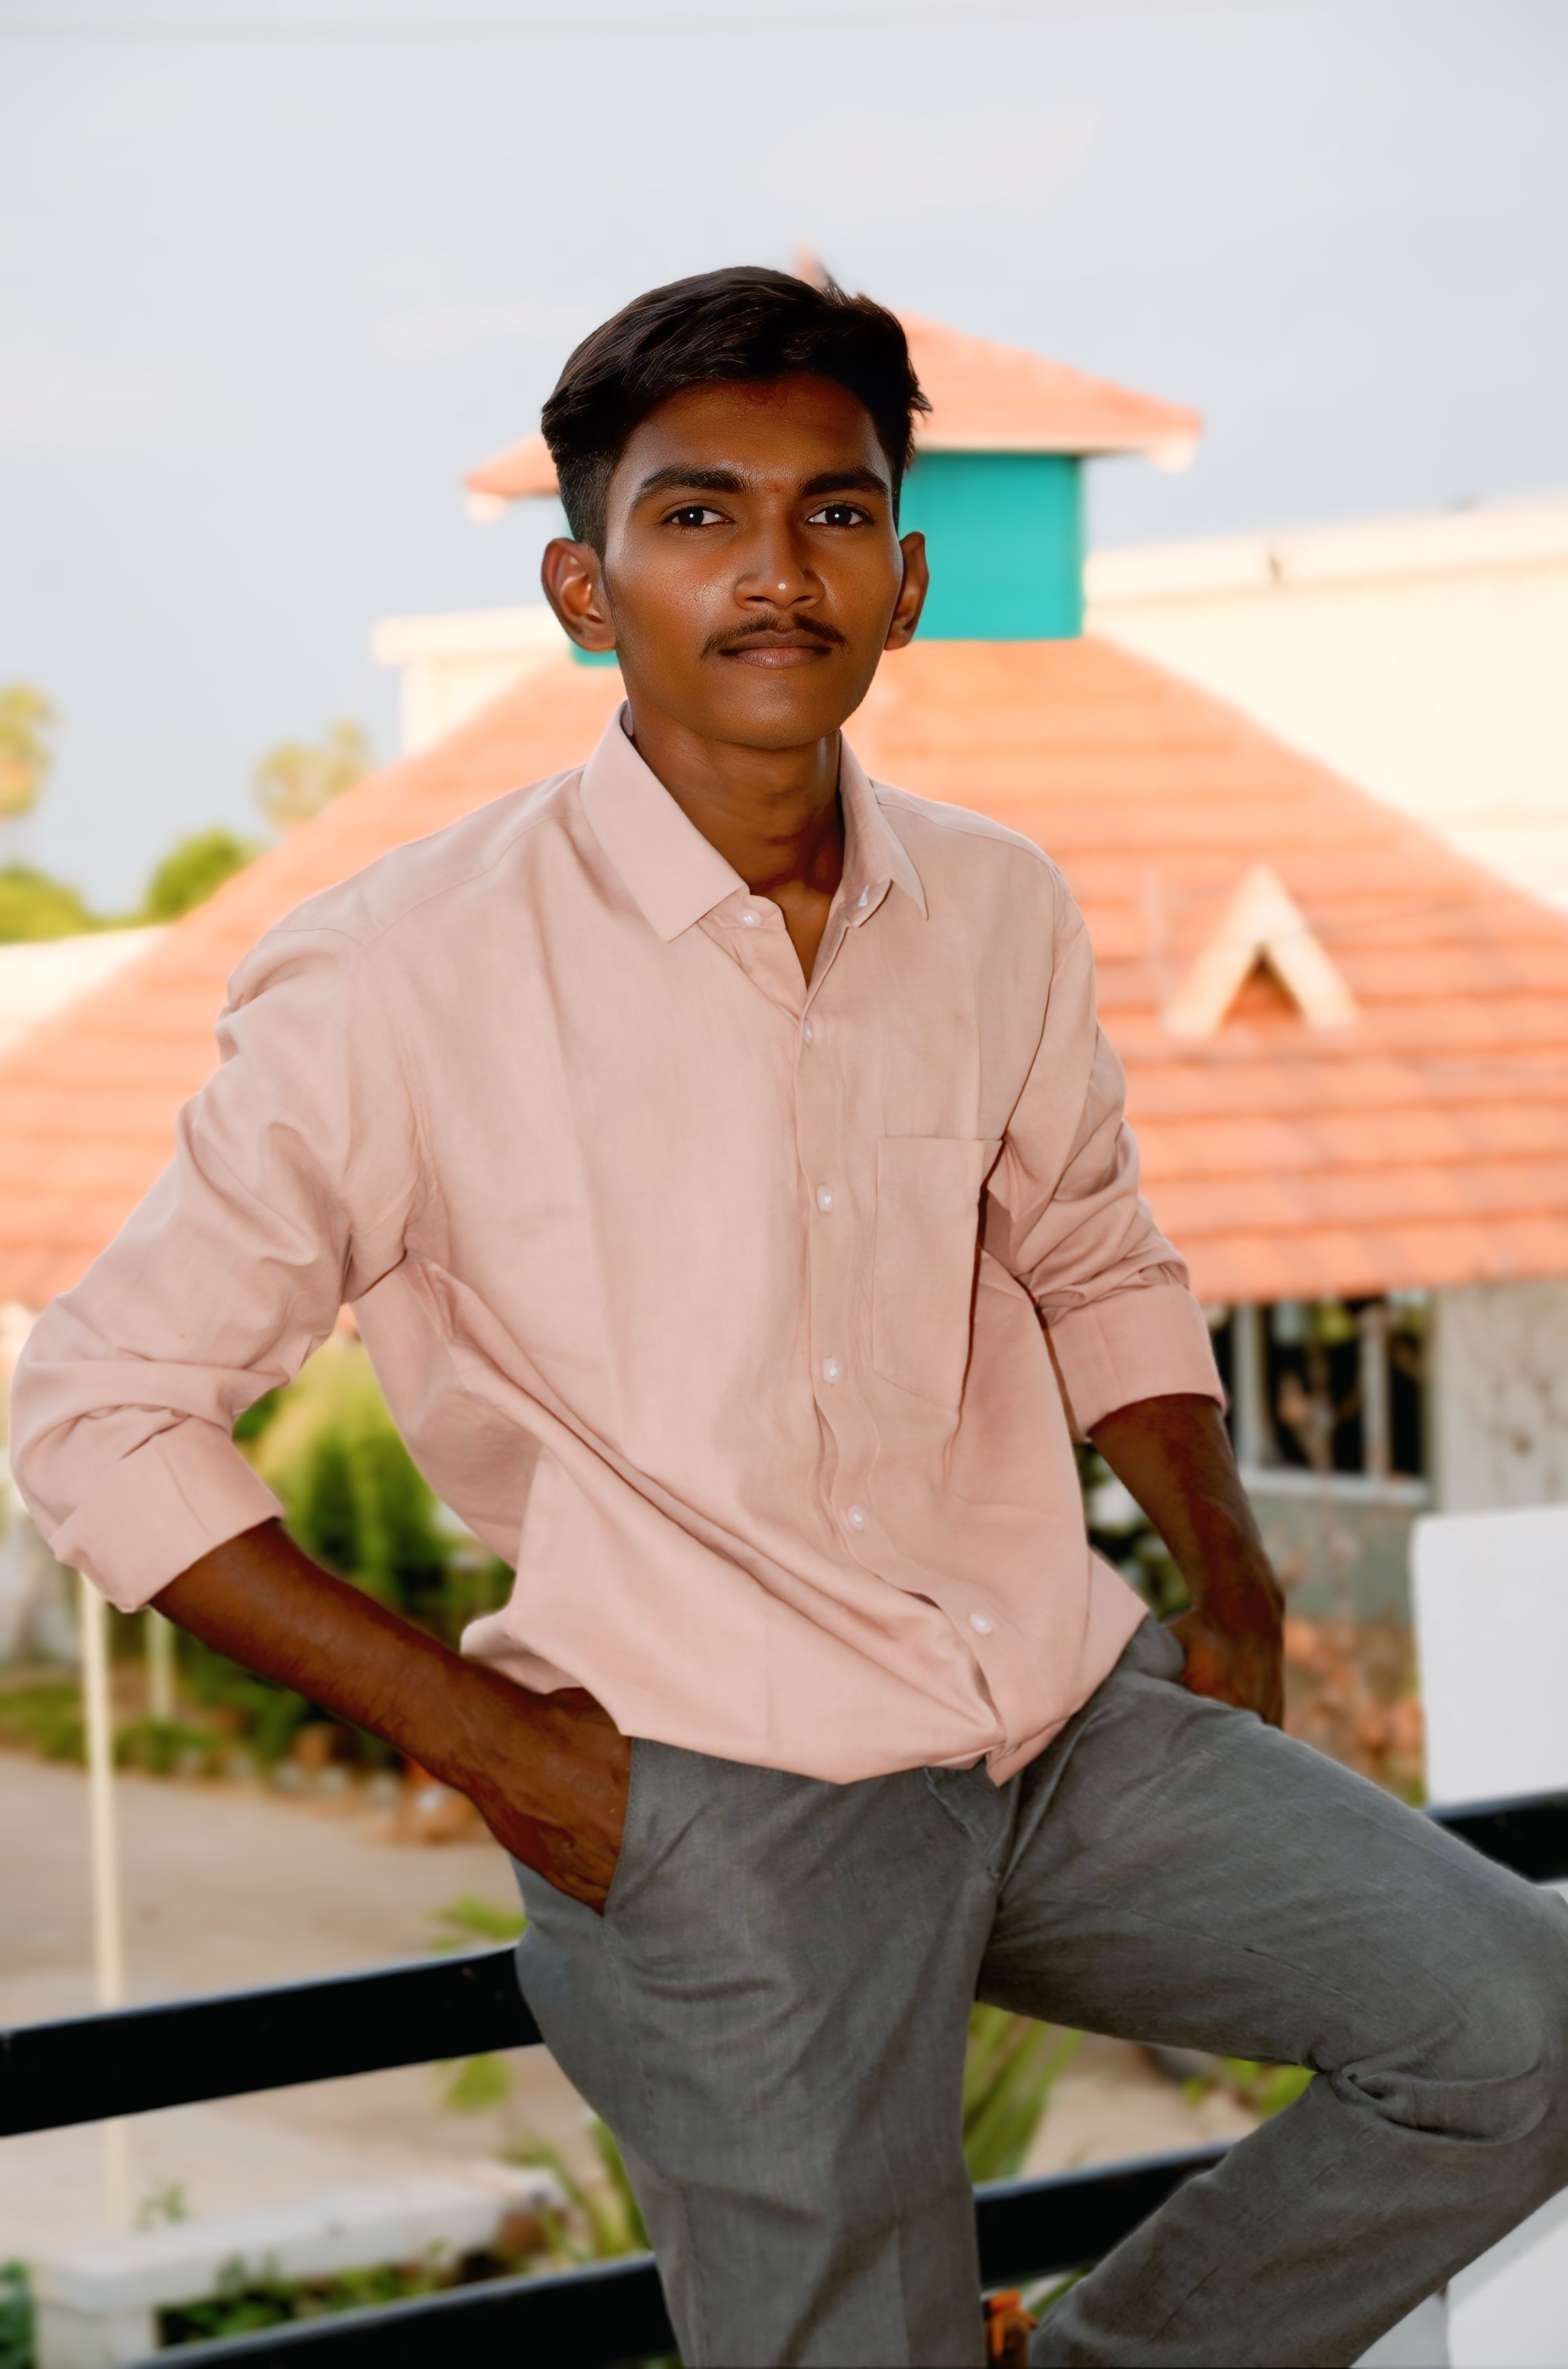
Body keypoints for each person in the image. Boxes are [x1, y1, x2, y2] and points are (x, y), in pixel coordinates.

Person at [11, 268, 1567, 2369]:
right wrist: (502, 1755)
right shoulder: (399, 977)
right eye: (697, 516)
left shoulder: (997, 903)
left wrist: (1231, 1568)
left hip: (1058, 1723)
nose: (775, 571)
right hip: (710, 1803)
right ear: (584, 588)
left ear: (904, 582)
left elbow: (1093, 1249)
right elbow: (99, 1411)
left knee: (1517, 2032)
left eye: (834, 514)